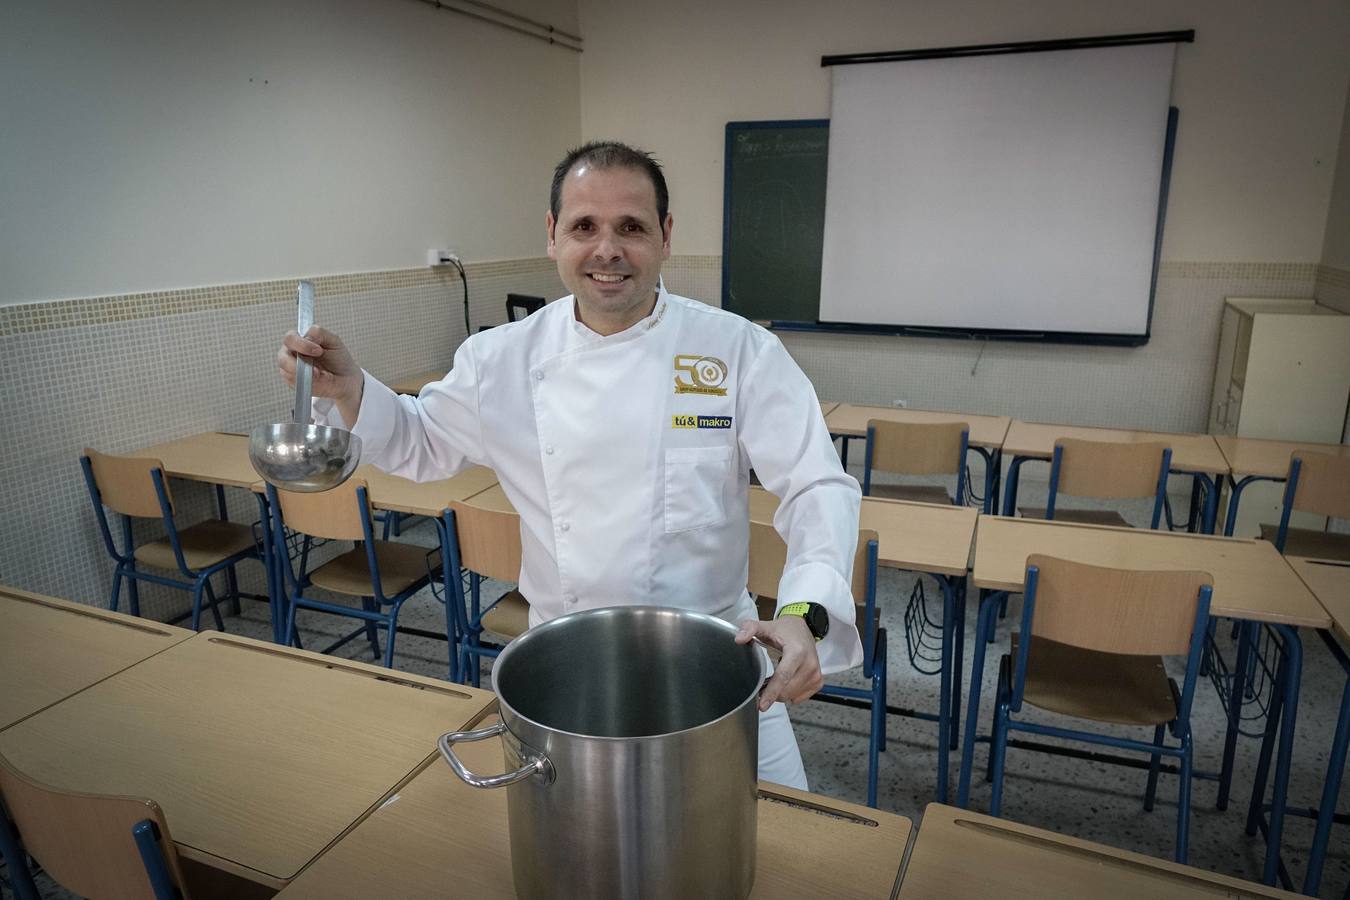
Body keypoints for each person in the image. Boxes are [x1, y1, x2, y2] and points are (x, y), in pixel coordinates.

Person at [277, 141, 862, 789]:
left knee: (784, 827)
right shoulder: (500, 359)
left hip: (723, 659)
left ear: (665, 236)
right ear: (553, 234)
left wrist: (803, 612)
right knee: (585, 837)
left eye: (631, 227)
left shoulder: (737, 351)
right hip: (567, 669)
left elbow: (817, 485)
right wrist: (351, 389)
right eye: (585, 226)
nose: (607, 250)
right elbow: (420, 441)